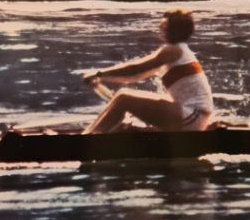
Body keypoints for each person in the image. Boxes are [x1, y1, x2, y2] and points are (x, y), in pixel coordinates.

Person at [83, 9, 213, 134]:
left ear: (172, 30)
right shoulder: (178, 51)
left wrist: (99, 73)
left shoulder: (173, 50)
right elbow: (134, 77)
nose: (160, 27)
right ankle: (90, 133)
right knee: (122, 94)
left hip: (193, 117)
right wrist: (101, 78)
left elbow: (135, 69)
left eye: (164, 25)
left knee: (124, 99)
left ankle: (89, 138)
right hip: (192, 117)